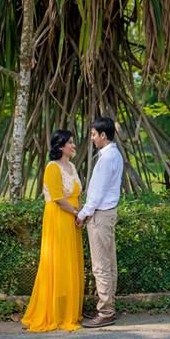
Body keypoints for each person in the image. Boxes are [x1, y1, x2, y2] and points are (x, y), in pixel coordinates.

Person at [21, 130, 84, 332]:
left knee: (70, 264)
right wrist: (75, 213)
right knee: (57, 264)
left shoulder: (72, 166)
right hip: (58, 219)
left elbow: (76, 193)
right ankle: (54, 313)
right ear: (60, 147)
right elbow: (57, 197)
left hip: (72, 219)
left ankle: (68, 311)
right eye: (71, 143)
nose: (74, 146)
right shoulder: (52, 167)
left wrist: (80, 213)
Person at [75, 117, 123, 328]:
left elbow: (96, 194)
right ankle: (108, 306)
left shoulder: (106, 158)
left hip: (100, 216)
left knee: (101, 265)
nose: (92, 139)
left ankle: (106, 311)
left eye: (94, 135)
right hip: (107, 213)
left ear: (104, 135)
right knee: (109, 263)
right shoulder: (114, 154)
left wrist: (82, 214)